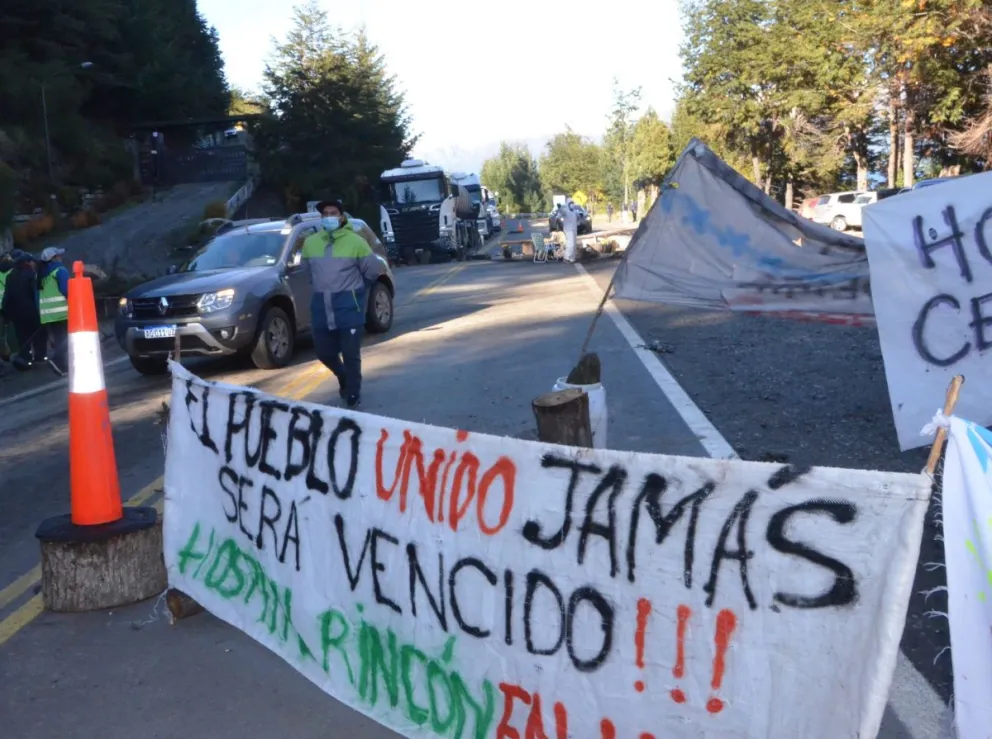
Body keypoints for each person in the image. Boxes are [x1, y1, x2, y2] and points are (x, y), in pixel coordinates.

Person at [302, 198, 383, 408]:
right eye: (325, 214)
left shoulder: (355, 241)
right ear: (321, 218)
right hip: (321, 307)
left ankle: (353, 393)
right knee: (324, 352)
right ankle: (343, 376)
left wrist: (358, 288)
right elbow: (308, 272)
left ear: (341, 216)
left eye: (333, 213)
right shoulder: (311, 242)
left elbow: (373, 269)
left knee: (350, 354)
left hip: (348, 306)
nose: (329, 217)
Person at [1, 251, 46, 371]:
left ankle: (26, 358)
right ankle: (40, 357)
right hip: (32, 312)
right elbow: (36, 294)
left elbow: (7, 296)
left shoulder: (11, 276)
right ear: (27, 262)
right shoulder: (31, 275)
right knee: (39, 336)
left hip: (17, 314)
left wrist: (6, 313)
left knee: (22, 338)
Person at [37, 246, 70, 376]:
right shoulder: (60, 270)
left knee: (59, 338)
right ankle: (57, 361)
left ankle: (62, 366)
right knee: (68, 338)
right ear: (53, 258)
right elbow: (66, 290)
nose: (60, 258)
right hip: (62, 311)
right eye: (58, 256)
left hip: (48, 314)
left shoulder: (41, 274)